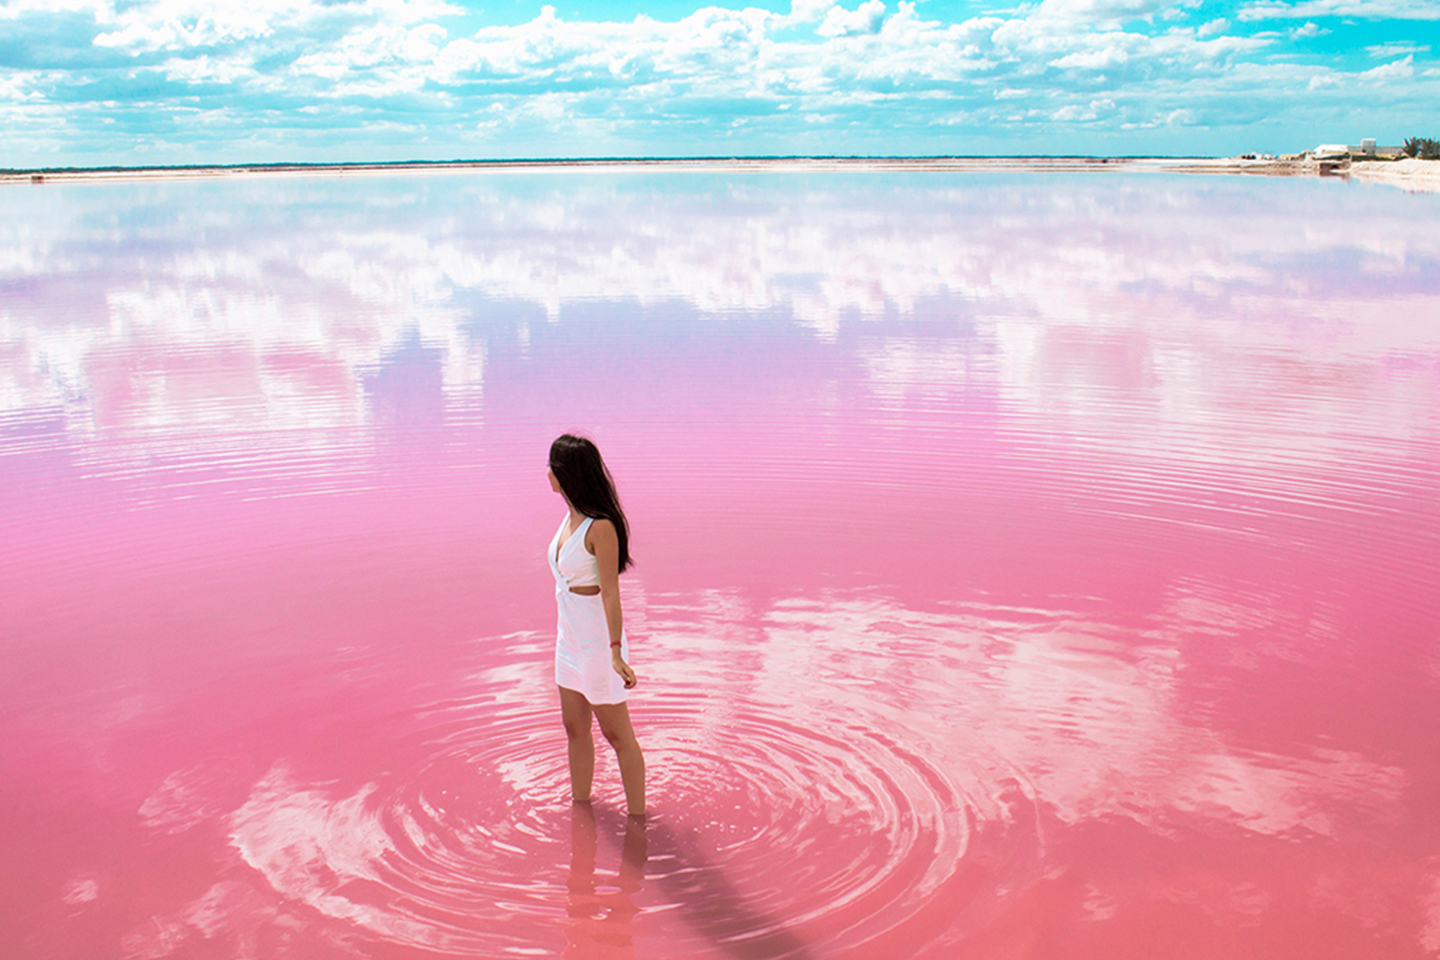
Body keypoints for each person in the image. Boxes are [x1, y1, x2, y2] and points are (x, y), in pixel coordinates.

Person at [548, 434, 646, 818]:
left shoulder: (600, 527)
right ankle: (581, 810)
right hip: (568, 642)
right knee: (574, 728)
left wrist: (616, 651)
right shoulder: (569, 516)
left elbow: (610, 593)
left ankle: (638, 821)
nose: (547, 473)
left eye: (551, 467)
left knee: (618, 735)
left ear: (564, 473)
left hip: (596, 644)